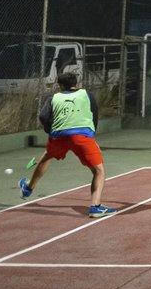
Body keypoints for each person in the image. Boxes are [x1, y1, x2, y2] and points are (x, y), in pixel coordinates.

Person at [18, 72, 117, 218]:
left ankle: (28, 188)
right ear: (75, 83)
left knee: (46, 156)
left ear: (60, 85)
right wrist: (90, 133)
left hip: (58, 136)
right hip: (82, 136)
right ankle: (95, 207)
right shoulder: (86, 95)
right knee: (98, 171)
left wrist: (50, 131)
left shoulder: (53, 97)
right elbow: (94, 114)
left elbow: (43, 116)